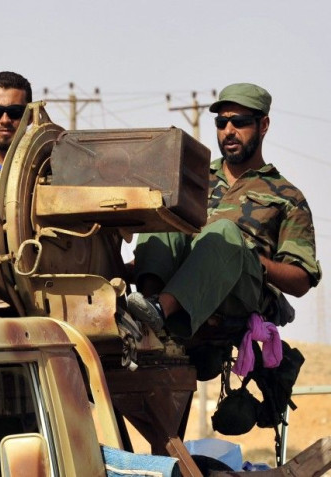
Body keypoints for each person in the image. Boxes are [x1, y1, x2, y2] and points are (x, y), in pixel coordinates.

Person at [127, 83, 321, 338]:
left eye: (239, 123)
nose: (228, 131)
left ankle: (160, 309)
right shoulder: (194, 180)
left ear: (263, 126)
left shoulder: (286, 196)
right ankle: (148, 308)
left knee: (224, 233)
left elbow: (301, 280)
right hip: (184, 281)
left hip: (241, 292)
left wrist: (249, 257)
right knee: (164, 211)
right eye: (221, 124)